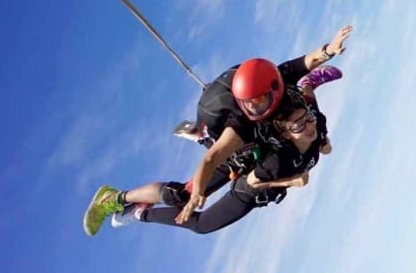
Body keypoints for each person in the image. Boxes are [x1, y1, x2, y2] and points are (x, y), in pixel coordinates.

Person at [83, 87, 332, 236]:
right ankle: (123, 204)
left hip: (243, 160)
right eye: (299, 125)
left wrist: (323, 144)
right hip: (247, 184)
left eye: (308, 120)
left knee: (189, 191)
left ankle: (203, 136)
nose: (308, 126)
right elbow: (252, 181)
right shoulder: (279, 162)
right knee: (193, 215)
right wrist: (293, 181)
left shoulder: (316, 124)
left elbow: (310, 98)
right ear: (288, 132)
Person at [174, 24, 350, 226]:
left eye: (257, 101)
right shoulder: (244, 119)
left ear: (272, 89)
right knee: (319, 142)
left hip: (286, 122)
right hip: (252, 141)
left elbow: (308, 60)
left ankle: (309, 84)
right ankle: (202, 136)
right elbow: (212, 157)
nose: (253, 108)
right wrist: (197, 192)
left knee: (314, 127)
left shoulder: (281, 77)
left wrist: (330, 49)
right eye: (247, 102)